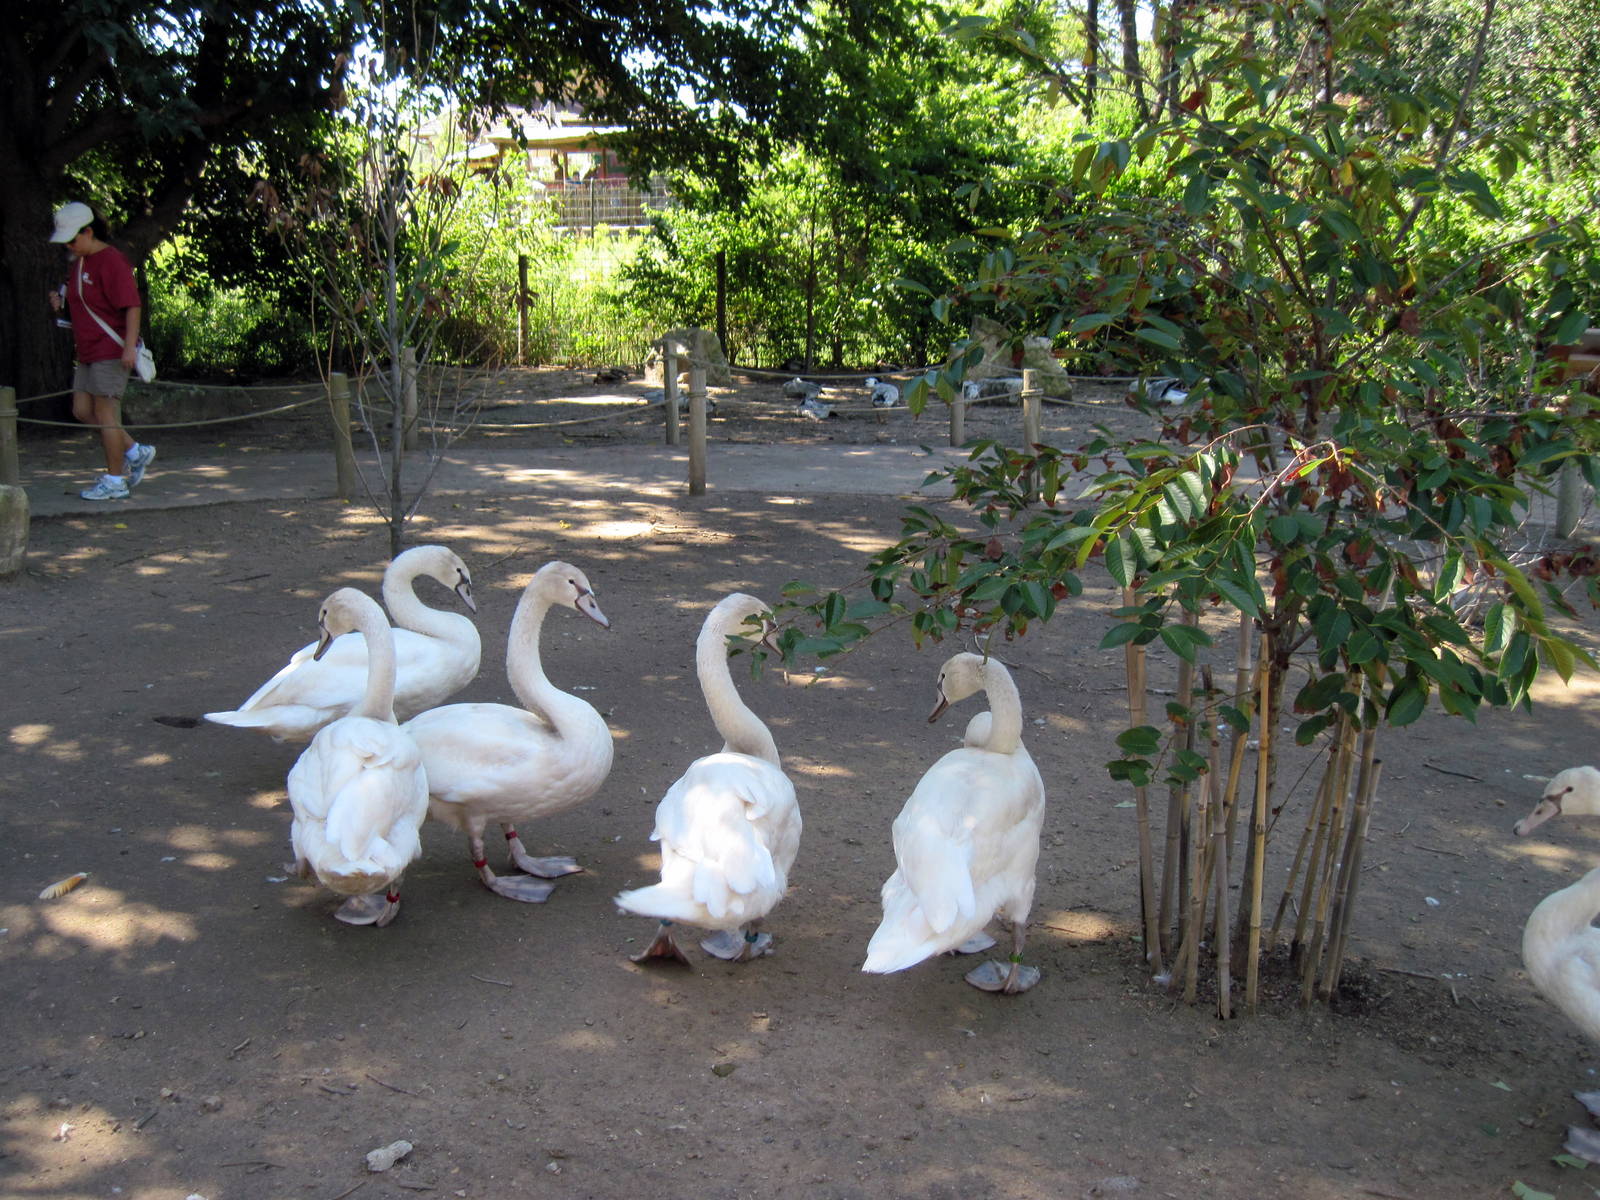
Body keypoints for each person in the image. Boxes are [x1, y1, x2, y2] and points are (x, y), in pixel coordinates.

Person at [47, 201, 156, 501]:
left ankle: (115, 479)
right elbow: (81, 306)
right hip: (87, 350)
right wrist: (61, 305)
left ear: (89, 232)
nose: (69, 245)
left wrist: (129, 348)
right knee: (82, 411)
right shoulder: (78, 263)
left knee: (107, 414)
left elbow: (132, 305)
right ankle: (134, 450)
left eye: (73, 239)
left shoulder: (111, 261)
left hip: (111, 348)